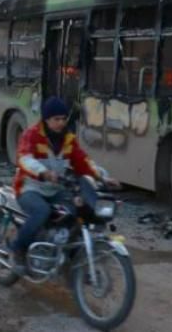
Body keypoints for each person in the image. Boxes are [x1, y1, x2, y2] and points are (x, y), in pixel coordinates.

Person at [9, 96, 120, 274]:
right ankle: (18, 250)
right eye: (56, 119)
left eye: (63, 118)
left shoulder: (68, 139)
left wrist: (103, 178)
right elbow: (24, 158)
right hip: (29, 187)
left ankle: (67, 254)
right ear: (46, 119)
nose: (61, 123)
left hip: (56, 188)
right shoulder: (32, 134)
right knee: (42, 211)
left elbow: (83, 162)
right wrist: (43, 172)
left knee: (77, 211)